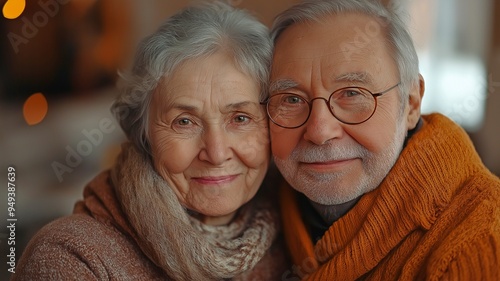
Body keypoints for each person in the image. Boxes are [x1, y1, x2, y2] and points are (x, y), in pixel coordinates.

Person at [13, 1, 288, 280]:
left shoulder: (295, 233)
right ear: (143, 135)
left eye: (240, 118)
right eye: (184, 122)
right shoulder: (71, 259)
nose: (216, 153)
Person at [262, 0, 500, 280]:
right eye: (291, 99)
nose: (319, 131)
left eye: (352, 94)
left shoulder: (479, 240)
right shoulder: (259, 212)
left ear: (410, 105)